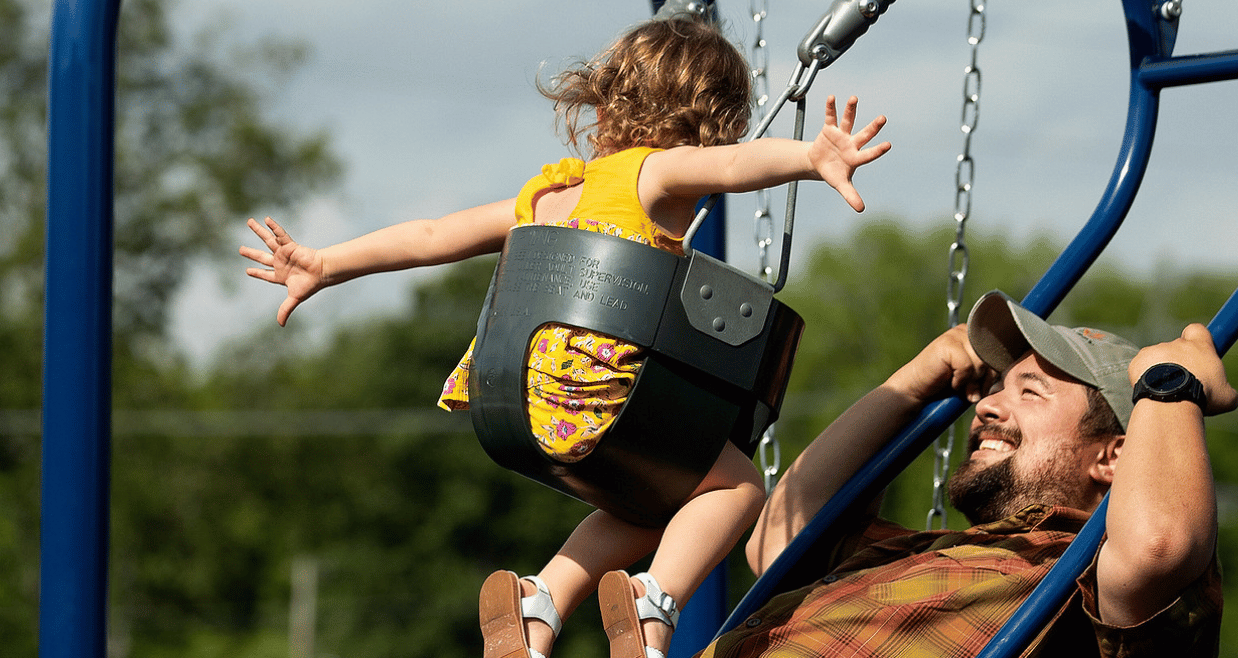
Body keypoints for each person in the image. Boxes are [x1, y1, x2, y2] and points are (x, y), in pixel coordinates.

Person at [238, 17, 890, 658]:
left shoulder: (548, 194)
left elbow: (434, 235)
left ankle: (537, 604)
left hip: (512, 397)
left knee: (652, 503)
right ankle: (653, 600)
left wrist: (326, 264)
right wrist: (810, 157)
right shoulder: (655, 173)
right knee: (736, 484)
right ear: (709, 121)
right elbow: (733, 167)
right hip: (598, 393)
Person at [694, 290, 1233, 657]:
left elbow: (1159, 546)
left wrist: (1169, 387)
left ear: (1112, 456)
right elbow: (779, 540)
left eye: (1031, 392)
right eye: (1000, 386)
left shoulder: (1084, 585)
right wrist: (911, 384)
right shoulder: (920, 555)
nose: (989, 406)